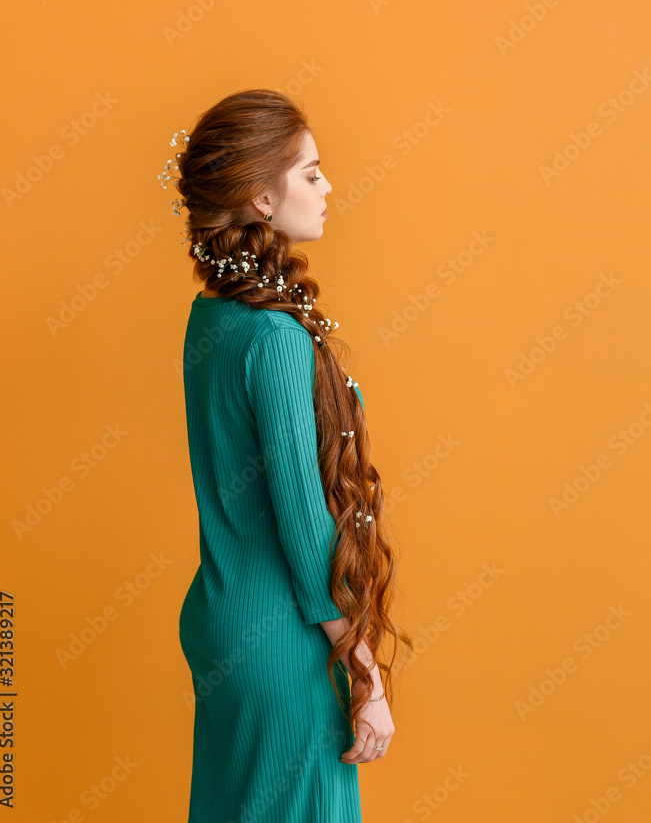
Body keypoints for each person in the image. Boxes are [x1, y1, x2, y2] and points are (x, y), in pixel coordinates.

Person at [162, 89, 413, 822]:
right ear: (260, 199)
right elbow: (304, 525)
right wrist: (362, 670)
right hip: (283, 641)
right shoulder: (274, 338)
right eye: (310, 172)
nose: (327, 186)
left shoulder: (209, 315)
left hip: (222, 620)